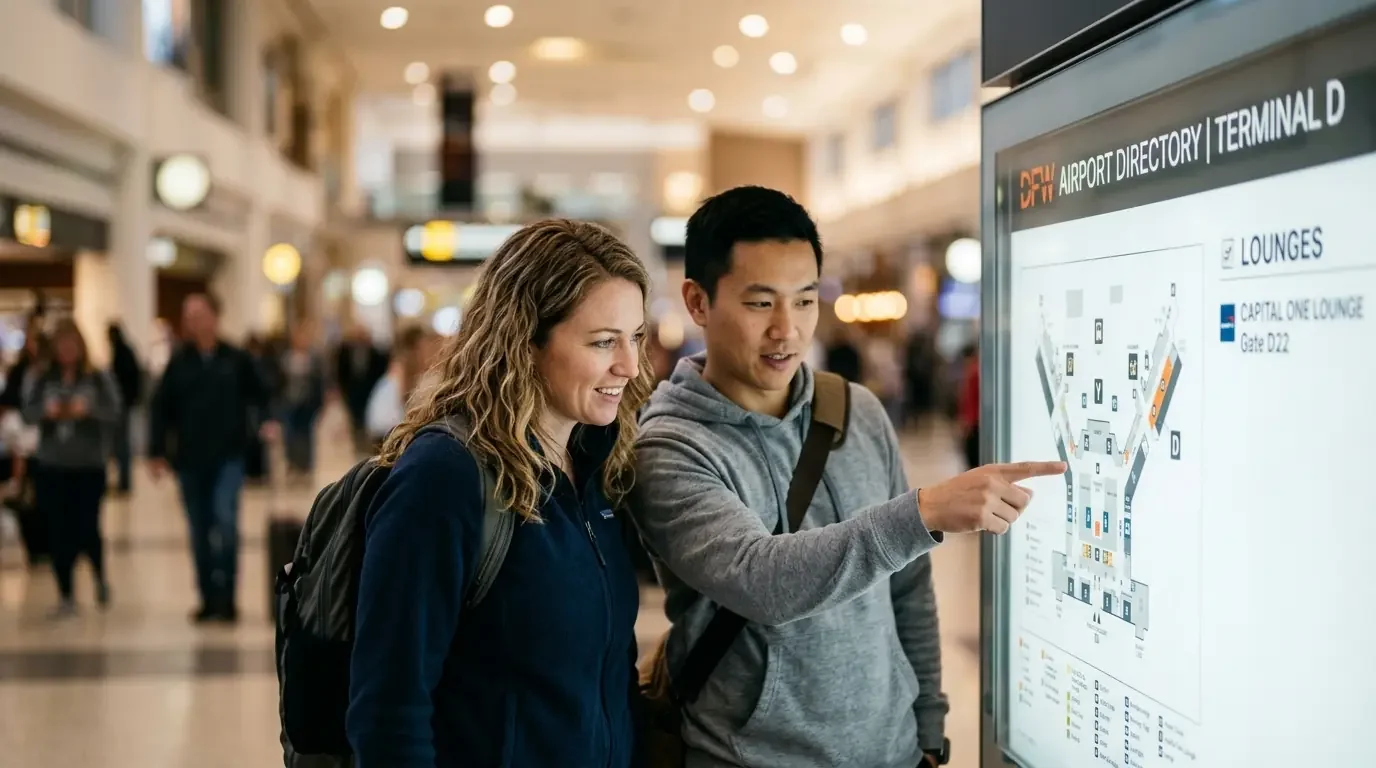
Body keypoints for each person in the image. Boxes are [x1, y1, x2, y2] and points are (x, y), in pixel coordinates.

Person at [629, 185, 1065, 768]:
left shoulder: (855, 409)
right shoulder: (670, 446)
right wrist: (923, 511)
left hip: (894, 752)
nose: (787, 330)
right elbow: (762, 581)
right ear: (698, 302)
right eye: (761, 303)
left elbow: (907, 590)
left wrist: (929, 732)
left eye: (805, 300)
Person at [346, 220, 654, 767]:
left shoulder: (597, 466)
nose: (629, 366)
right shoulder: (447, 477)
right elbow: (390, 708)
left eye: (635, 337)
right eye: (603, 342)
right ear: (525, 340)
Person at [148, 293, 273, 623]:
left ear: (215, 317)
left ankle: (228, 597)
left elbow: (262, 393)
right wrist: (156, 452)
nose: (194, 322)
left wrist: (268, 421)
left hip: (228, 456)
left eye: (199, 314)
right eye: (188, 316)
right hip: (189, 459)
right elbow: (161, 409)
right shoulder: (179, 363)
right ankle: (207, 597)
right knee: (199, 530)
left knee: (226, 522)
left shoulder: (236, 359)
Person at [20, 319, 121, 617]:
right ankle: (66, 593)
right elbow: (26, 412)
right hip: (53, 465)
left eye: (71, 344)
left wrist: (87, 411)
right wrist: (46, 413)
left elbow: (115, 411)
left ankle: (99, 576)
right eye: (61, 345)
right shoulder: (42, 378)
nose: (66, 351)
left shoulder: (97, 378)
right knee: (58, 530)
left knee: (88, 527)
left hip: (88, 465)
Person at [362, 325, 440, 445]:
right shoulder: (402, 368)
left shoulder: (406, 366)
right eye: (423, 347)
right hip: (388, 426)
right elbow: (404, 401)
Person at [106, 323, 142, 494]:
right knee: (121, 443)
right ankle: (123, 481)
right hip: (125, 403)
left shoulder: (122, 353)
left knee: (122, 444)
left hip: (122, 404)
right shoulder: (125, 351)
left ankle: (124, 482)